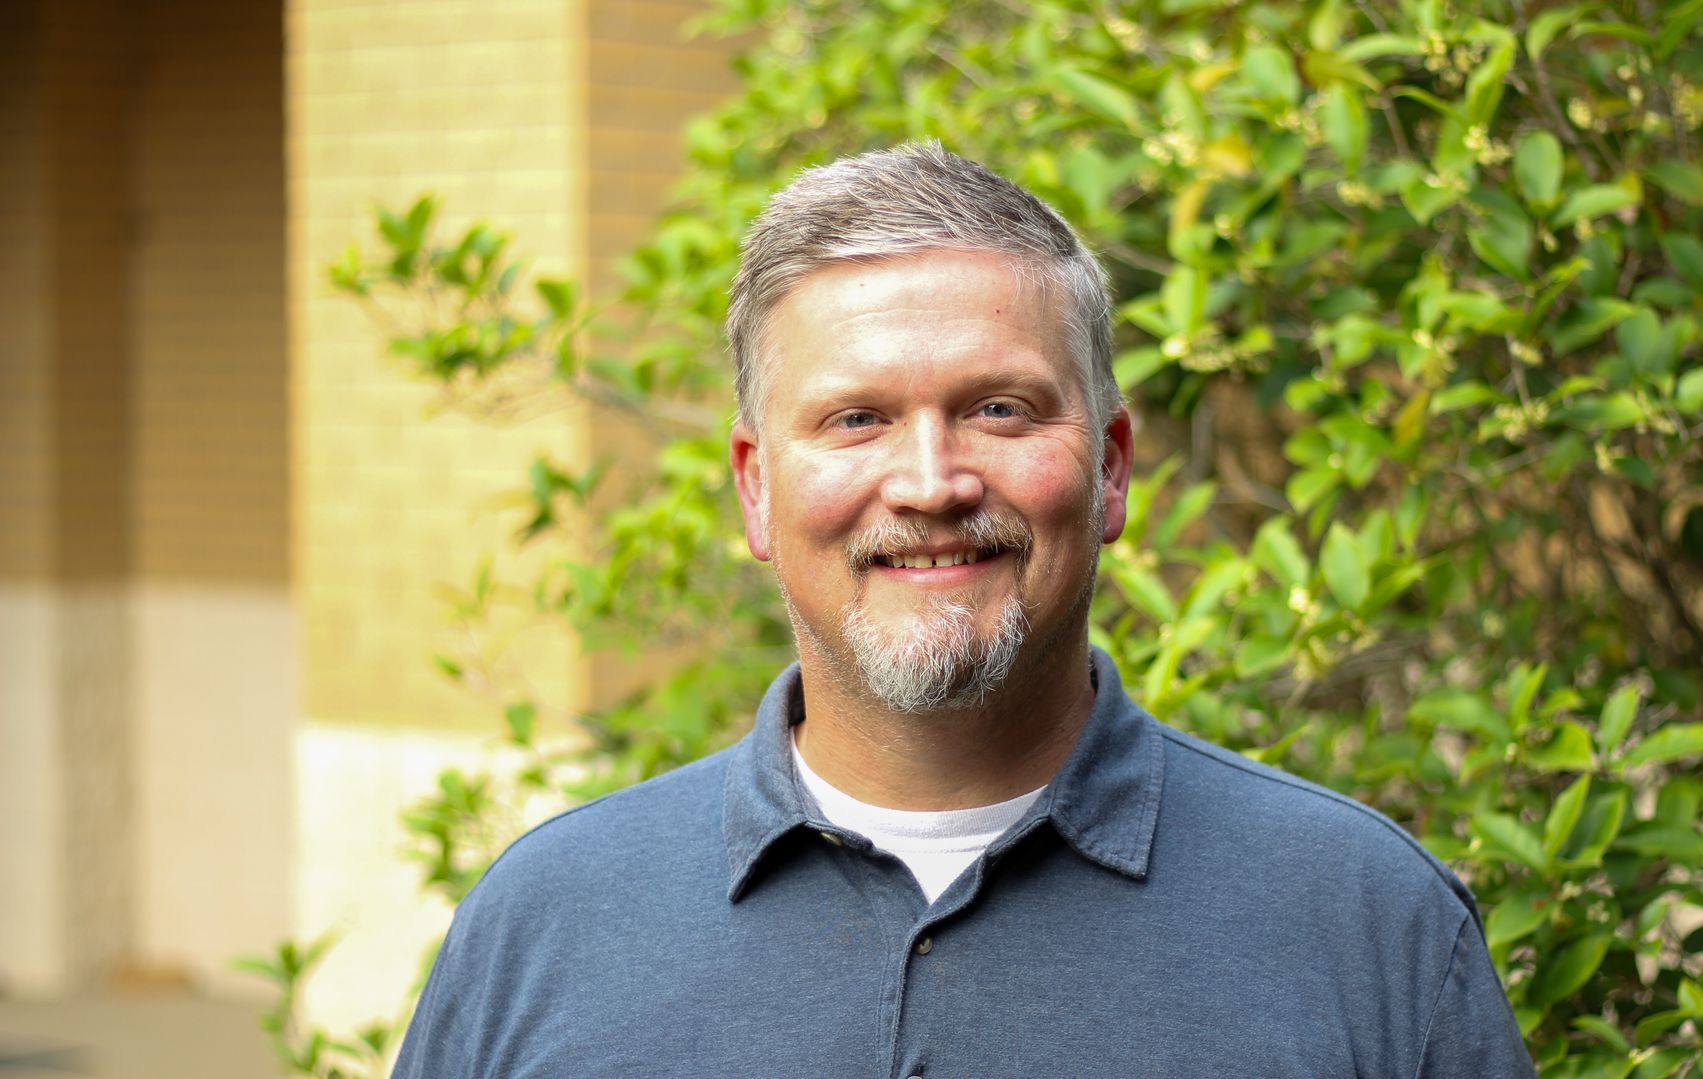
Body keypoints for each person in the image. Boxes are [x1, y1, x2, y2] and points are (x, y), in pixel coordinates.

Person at [392, 143, 1535, 1078]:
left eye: (999, 407)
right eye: (856, 420)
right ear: (754, 487)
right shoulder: (542, 923)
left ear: (1114, 468)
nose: (932, 481)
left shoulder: (1370, 922)